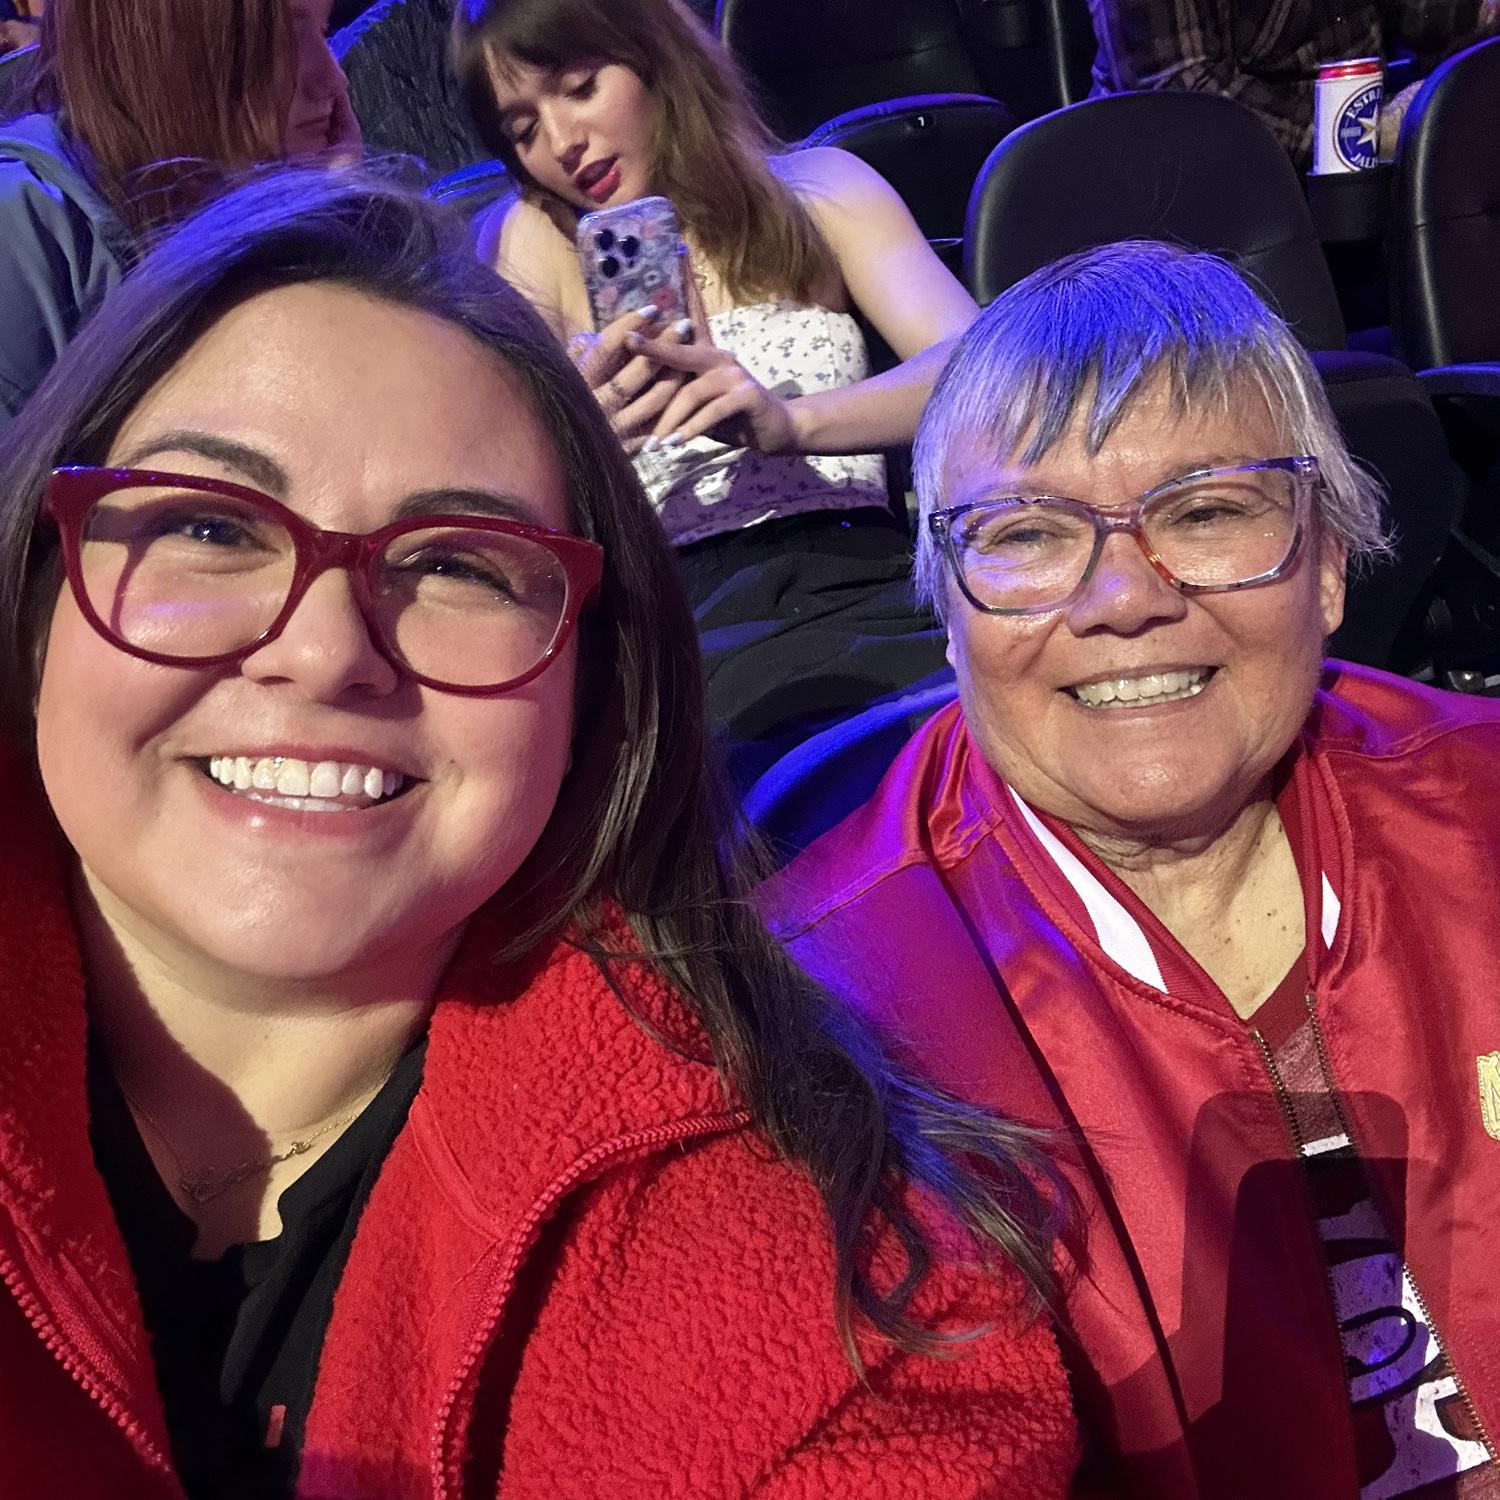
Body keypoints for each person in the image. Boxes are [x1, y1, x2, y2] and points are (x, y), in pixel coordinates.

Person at [0, 166, 1077, 1498]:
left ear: (594, 686)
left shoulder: (868, 1313)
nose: (327, 651)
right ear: (40, 591)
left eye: (456, 563)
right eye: (212, 526)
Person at [770, 240, 1500, 1498]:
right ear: (945, 605)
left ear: (1327, 562)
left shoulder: (1487, 812)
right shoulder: (826, 1013)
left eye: (1208, 511)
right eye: (1028, 534)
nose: (1122, 597)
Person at [453, 0, 979, 784]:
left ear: (652, 55)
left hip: (863, 579)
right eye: (523, 129)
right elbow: (482, 485)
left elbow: (979, 366)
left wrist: (789, 423)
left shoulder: (821, 189)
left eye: (581, 87)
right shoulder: (534, 242)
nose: (563, 144)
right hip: (678, 621)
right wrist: (578, 441)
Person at [0, 0, 359, 433]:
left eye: (321, 33)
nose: (332, 77)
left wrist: (332, 206)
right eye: (283, 38)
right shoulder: (23, 232)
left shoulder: (241, 198)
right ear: (166, 50)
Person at [1087, 0, 1500, 168]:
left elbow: (1423, 18)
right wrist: (1361, 134)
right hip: (1190, 198)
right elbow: (1182, 95)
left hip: (1357, 174)